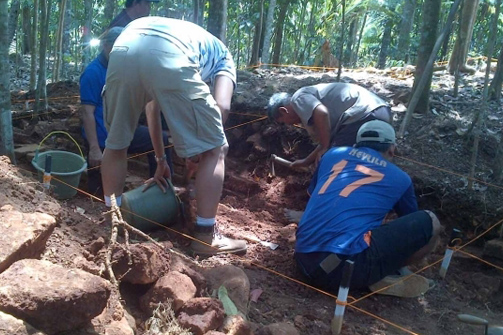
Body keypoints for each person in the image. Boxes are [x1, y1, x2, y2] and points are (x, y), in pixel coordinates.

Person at [101, 16, 247, 256]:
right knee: (217, 149)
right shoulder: (224, 58)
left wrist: (161, 161)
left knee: (116, 142)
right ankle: (206, 237)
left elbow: (152, 107)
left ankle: (112, 223)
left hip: (125, 45)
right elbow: (223, 108)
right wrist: (202, 150)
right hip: (168, 51)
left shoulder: (191, 37)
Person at [294, 120, 440, 296]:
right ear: (391, 150)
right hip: (340, 272)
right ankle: (385, 272)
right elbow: (411, 227)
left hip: (302, 257)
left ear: (356, 144)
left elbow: (316, 196)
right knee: (431, 221)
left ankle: (372, 270)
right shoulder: (400, 178)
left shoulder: (333, 154)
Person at [79, 27, 172, 195]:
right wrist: (94, 148)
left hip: (125, 130)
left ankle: (162, 190)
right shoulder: (92, 73)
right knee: (98, 193)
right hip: (102, 138)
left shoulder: (126, 67)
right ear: (106, 46)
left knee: (161, 139)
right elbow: (87, 113)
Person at [267, 83, 391, 168]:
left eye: (283, 121)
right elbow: (325, 142)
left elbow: (322, 112)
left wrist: (325, 148)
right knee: (363, 165)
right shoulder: (311, 112)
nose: (289, 125)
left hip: (364, 113)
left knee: (331, 161)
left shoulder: (298, 98)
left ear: (283, 111)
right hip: (380, 111)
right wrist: (305, 162)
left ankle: (318, 204)